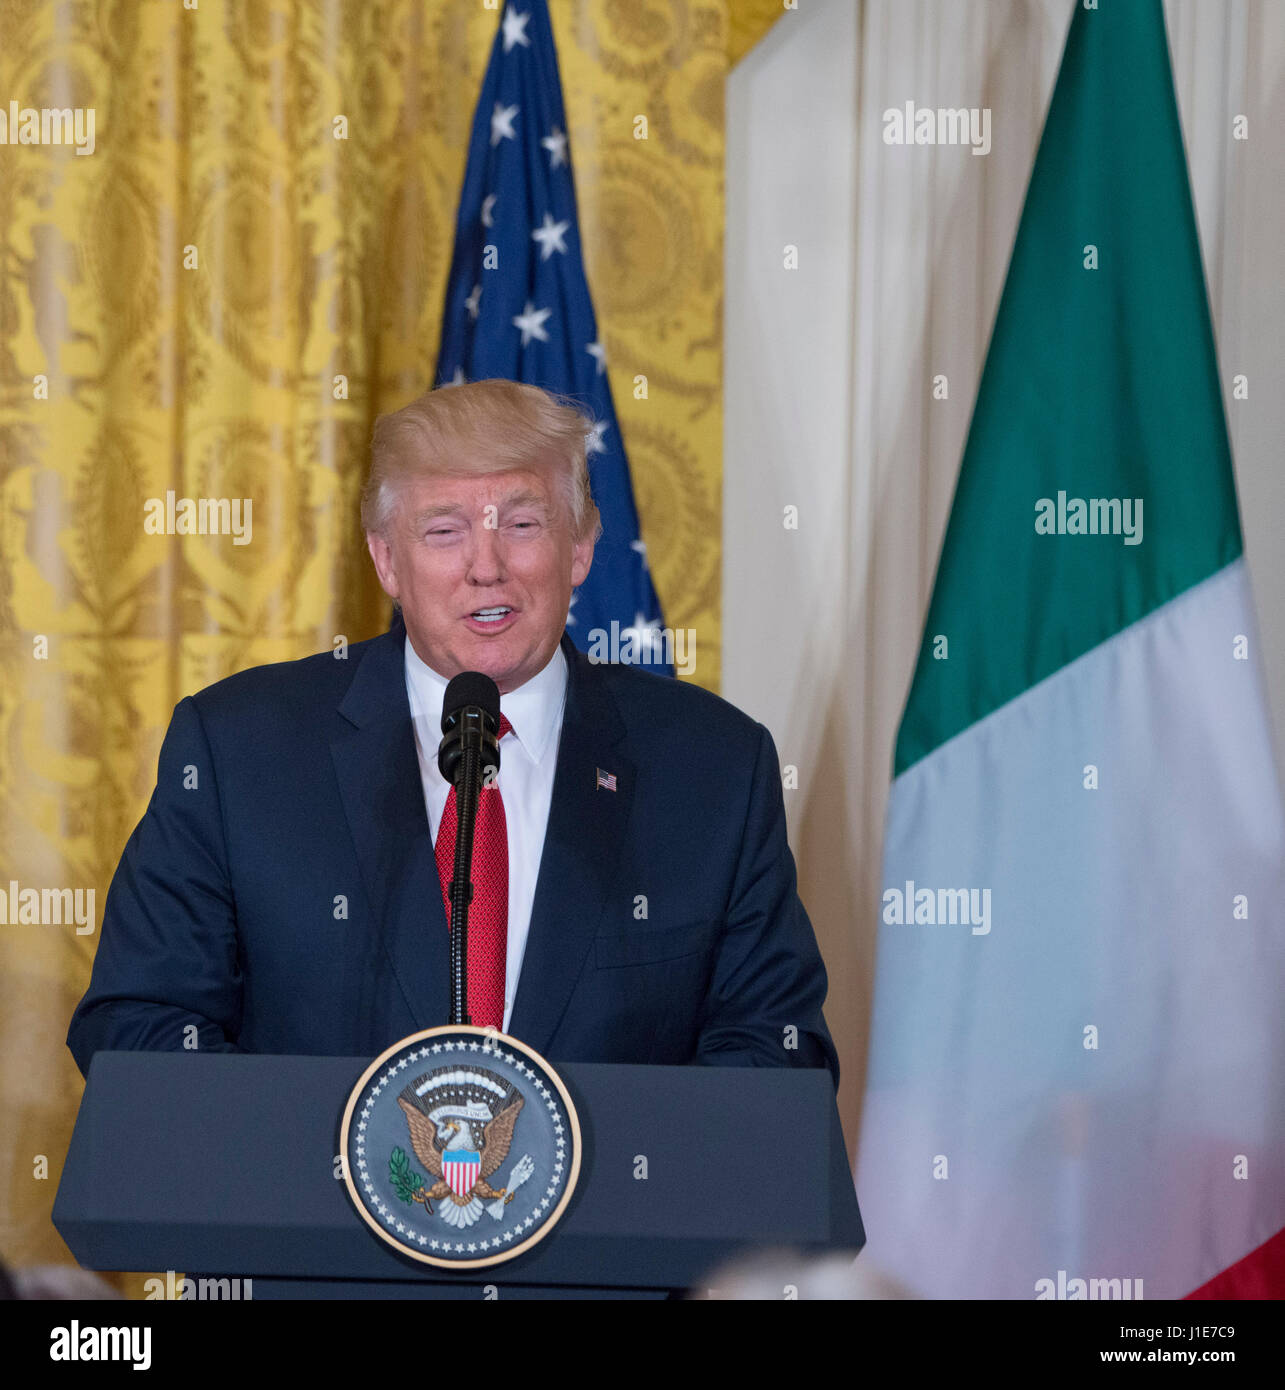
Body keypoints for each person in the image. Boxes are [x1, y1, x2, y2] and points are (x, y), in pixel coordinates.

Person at [67, 380, 839, 1084]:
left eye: (523, 523)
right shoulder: (239, 752)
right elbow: (139, 1027)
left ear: (580, 549)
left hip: (613, 1234)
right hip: (315, 1232)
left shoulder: (713, 769)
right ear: (386, 561)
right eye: (443, 530)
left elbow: (775, 1049)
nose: (486, 566)